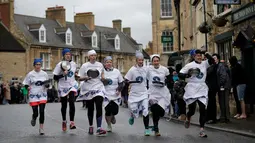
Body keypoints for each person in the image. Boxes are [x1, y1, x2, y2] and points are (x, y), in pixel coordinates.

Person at [179, 50, 213, 138]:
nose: (199, 57)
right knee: (192, 110)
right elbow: (180, 74)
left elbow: (212, 61)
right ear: (194, 56)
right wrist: (187, 76)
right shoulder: (189, 65)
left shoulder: (205, 63)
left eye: (200, 55)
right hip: (192, 88)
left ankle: (202, 130)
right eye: (197, 55)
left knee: (203, 109)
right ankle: (188, 116)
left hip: (202, 88)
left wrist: (206, 53)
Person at [77, 50, 107, 136]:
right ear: (89, 57)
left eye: (95, 55)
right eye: (92, 55)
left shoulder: (100, 65)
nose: (93, 57)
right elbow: (79, 78)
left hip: (98, 87)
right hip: (88, 89)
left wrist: (103, 78)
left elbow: (102, 74)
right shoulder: (84, 66)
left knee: (99, 106)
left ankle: (99, 128)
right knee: (90, 108)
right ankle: (91, 126)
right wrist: (86, 77)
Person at [124, 50, 150, 136]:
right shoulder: (132, 70)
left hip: (144, 93)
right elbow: (126, 79)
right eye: (139, 60)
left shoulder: (146, 69)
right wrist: (128, 82)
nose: (141, 62)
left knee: (145, 111)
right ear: (136, 60)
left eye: (142, 60)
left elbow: (150, 78)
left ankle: (147, 129)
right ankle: (132, 115)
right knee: (134, 111)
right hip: (134, 93)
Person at [53, 48, 79, 131]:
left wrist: (77, 75)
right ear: (63, 56)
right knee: (64, 105)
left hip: (72, 85)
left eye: (69, 54)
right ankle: (64, 120)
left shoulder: (74, 64)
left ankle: (72, 122)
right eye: (66, 54)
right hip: (63, 86)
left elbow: (74, 74)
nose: (68, 55)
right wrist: (63, 75)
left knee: (72, 102)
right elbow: (54, 77)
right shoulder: (60, 64)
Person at [23, 58, 49, 135]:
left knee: (42, 111)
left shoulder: (44, 74)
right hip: (33, 95)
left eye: (39, 64)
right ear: (34, 65)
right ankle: (34, 117)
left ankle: (41, 128)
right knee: (36, 112)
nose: (38, 66)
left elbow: (48, 84)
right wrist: (27, 87)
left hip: (42, 94)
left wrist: (47, 85)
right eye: (36, 64)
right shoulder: (30, 74)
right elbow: (25, 84)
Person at [147, 54, 171, 136]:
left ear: (159, 61)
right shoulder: (148, 69)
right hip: (152, 92)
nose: (156, 62)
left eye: (157, 61)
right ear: (152, 62)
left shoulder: (164, 69)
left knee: (161, 112)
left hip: (162, 92)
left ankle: (154, 119)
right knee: (155, 108)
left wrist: (167, 82)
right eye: (154, 61)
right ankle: (156, 128)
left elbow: (169, 79)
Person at [102, 56, 125, 132]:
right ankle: (109, 125)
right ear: (104, 63)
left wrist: (119, 90)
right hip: (106, 94)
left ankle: (113, 116)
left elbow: (121, 82)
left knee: (115, 111)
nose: (109, 64)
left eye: (110, 62)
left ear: (112, 63)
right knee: (107, 110)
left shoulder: (117, 71)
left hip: (115, 94)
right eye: (107, 62)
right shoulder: (102, 72)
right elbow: (99, 82)